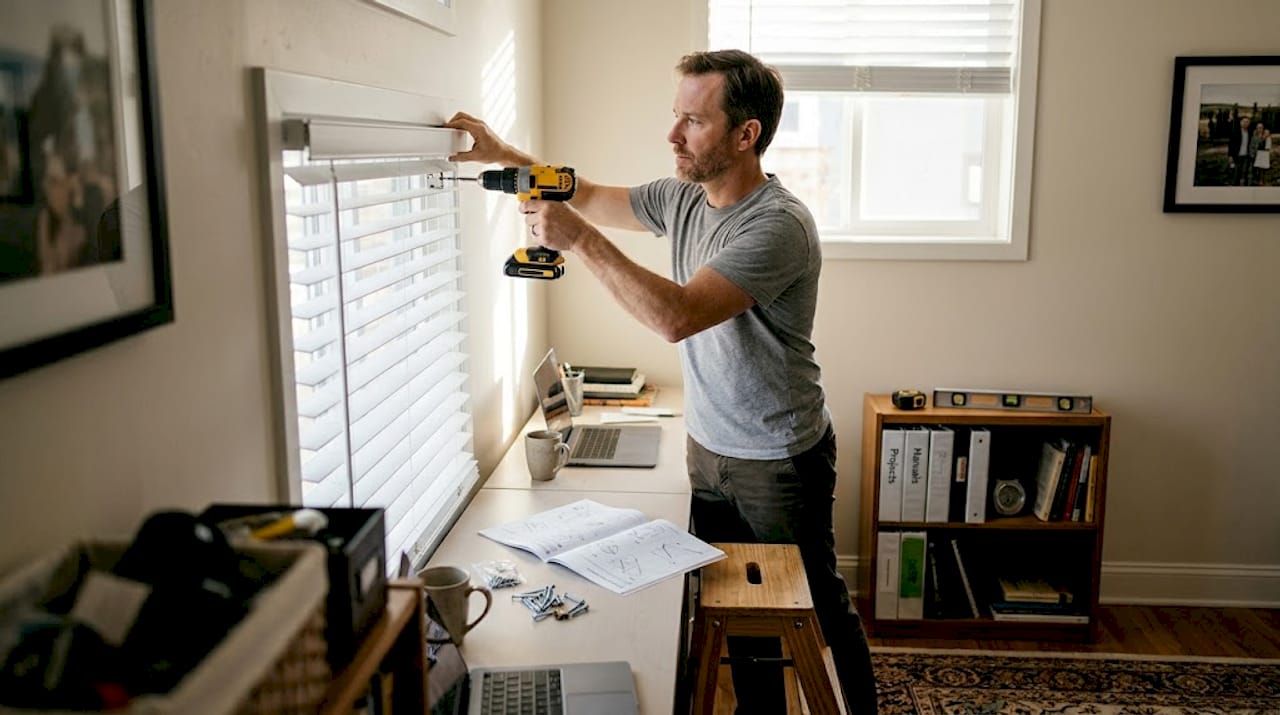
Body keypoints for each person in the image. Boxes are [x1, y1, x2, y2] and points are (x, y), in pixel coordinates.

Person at [445, 49, 877, 714]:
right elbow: (580, 191)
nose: (672, 134)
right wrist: (501, 150)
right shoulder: (682, 199)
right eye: (675, 116)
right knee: (737, 604)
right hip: (708, 449)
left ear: (745, 134)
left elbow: (678, 316)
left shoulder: (778, 224)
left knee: (815, 604)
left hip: (777, 459)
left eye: (693, 121)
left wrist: (582, 241)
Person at [1228, 116, 1252, 186]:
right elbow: (1231, 144)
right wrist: (1230, 156)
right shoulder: (1235, 132)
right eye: (1244, 122)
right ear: (1240, 123)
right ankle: (1235, 186)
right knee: (1236, 173)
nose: (1245, 123)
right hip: (1237, 156)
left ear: (1249, 123)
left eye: (1247, 122)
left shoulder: (1250, 133)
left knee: (1245, 173)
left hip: (1246, 156)